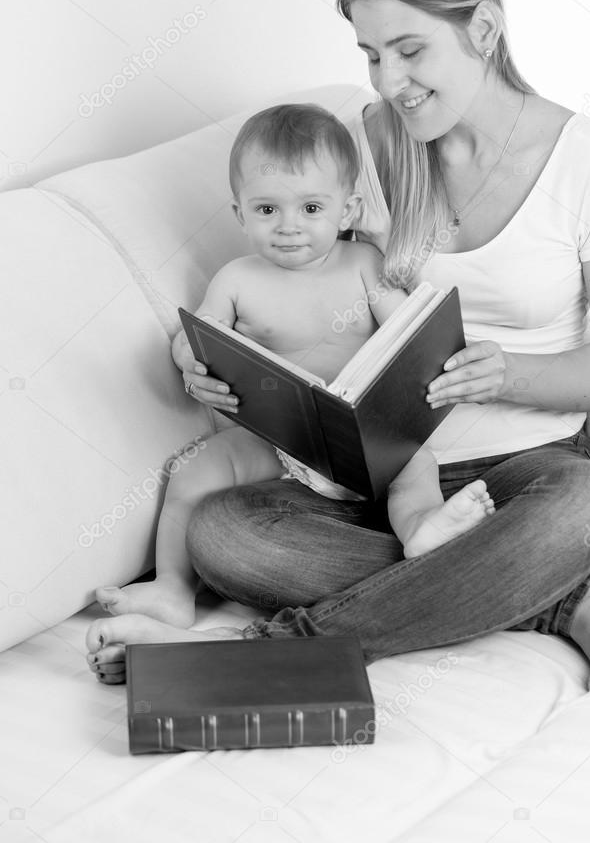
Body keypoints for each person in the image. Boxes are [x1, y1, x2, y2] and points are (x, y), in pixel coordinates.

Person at [86, 0, 590, 690]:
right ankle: (558, 604)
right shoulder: (364, 146)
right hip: (373, 482)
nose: (389, 82)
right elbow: (289, 270)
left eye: (411, 50)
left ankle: (272, 652)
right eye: (371, 55)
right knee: (227, 533)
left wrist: (501, 375)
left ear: (484, 28)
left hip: (527, 474)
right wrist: (212, 365)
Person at [93, 102, 494, 631]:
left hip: (368, 439)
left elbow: (407, 338)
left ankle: (422, 526)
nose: (288, 228)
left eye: (310, 208)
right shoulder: (236, 279)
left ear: (347, 211)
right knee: (193, 470)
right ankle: (171, 588)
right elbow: (197, 337)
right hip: (279, 441)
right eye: (266, 210)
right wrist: (193, 364)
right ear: (239, 213)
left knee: (415, 467)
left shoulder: (364, 265)